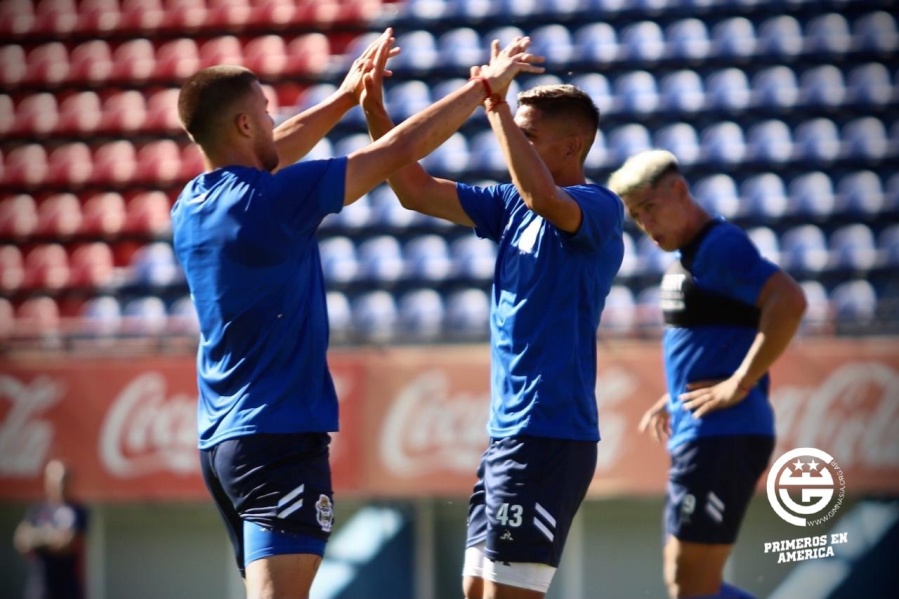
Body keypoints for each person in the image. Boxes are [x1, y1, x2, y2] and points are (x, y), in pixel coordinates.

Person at [171, 28, 545, 599]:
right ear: (244, 125)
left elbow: (272, 151)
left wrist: (347, 98)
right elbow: (396, 152)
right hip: (278, 437)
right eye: (266, 114)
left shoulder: (190, 204)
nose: (275, 123)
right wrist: (482, 90)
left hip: (222, 442)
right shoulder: (271, 200)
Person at [361, 39, 625, 599]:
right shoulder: (509, 206)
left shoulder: (598, 207)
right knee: (478, 593)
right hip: (509, 434)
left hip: (549, 431)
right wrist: (374, 111)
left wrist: (495, 105)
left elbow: (542, 196)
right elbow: (414, 191)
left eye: (528, 136)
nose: (510, 143)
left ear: (573, 145)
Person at [606, 150, 807, 599]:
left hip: (724, 433)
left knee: (691, 585)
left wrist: (739, 382)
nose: (646, 226)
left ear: (679, 190)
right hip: (704, 434)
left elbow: (788, 301)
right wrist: (673, 394)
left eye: (651, 209)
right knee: (689, 583)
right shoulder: (691, 256)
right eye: (636, 217)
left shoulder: (720, 246)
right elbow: (720, 334)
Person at [13, 459, 89, 599]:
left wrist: (37, 537)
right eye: (57, 479)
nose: (60, 485)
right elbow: (21, 541)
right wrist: (51, 536)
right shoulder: (37, 509)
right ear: (48, 481)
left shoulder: (78, 510)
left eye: (65, 479)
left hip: (68, 588)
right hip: (40, 587)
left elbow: (66, 545)